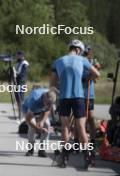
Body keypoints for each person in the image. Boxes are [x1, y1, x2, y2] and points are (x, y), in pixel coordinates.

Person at [50, 39, 100, 167]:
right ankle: (88, 155)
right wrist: (88, 78)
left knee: (65, 127)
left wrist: (55, 90)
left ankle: (64, 157)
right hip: (78, 97)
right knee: (81, 127)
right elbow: (97, 74)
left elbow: (53, 82)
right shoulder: (82, 60)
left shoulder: (58, 61)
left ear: (70, 48)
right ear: (78, 50)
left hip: (64, 98)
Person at [22, 87, 58, 157]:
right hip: (28, 110)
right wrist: (37, 129)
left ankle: (42, 149)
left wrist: (42, 121)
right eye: (47, 103)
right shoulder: (34, 99)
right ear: (44, 97)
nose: (48, 105)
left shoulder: (50, 98)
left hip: (40, 110)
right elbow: (28, 119)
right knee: (32, 128)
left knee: (47, 125)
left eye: (49, 104)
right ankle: (30, 148)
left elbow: (47, 110)